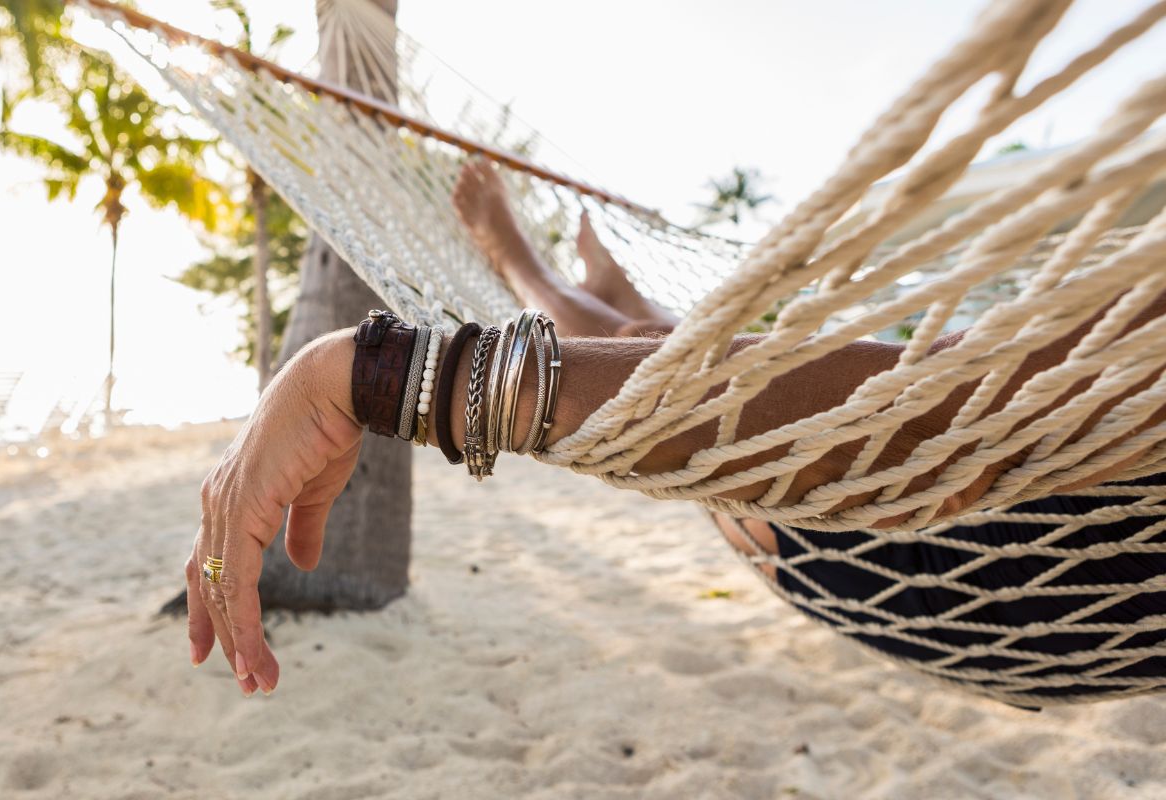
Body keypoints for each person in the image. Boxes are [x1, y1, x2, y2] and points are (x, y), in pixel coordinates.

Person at [184, 160, 1166, 703]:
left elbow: (930, 413)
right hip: (976, 532)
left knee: (666, 355)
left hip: (905, 539)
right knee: (660, 347)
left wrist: (384, 373)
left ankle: (546, 277)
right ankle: (584, 294)